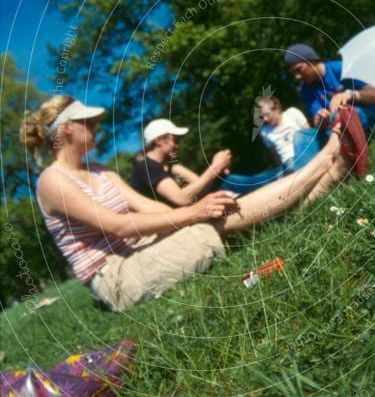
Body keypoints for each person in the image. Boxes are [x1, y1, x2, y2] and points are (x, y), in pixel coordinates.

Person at [20, 96, 355, 312]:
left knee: (223, 215)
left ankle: (331, 170)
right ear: (66, 130)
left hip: (141, 245)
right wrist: (195, 212)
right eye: (87, 122)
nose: (96, 125)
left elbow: (151, 210)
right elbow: (119, 225)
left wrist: (195, 213)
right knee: (212, 222)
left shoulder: (99, 169)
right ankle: (328, 157)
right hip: (116, 276)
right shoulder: (53, 182)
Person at [284, 43, 375, 133]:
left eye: (299, 69)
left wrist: (349, 95)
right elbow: (319, 124)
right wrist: (320, 120)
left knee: (345, 114)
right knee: (301, 136)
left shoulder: (339, 68)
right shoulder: (306, 91)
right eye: (294, 74)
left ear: (312, 61)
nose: (297, 77)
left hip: (368, 118)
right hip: (337, 128)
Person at [131, 118, 233, 205]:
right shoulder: (146, 166)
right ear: (159, 140)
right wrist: (215, 168)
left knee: (228, 181)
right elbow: (181, 198)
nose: (178, 146)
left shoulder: (163, 169)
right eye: (175, 140)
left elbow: (200, 189)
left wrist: (218, 173)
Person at [257, 95, 322, 171]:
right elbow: (275, 155)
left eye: (267, 114)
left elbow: (309, 134)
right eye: (262, 117)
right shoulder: (265, 132)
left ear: (277, 109)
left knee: (298, 136)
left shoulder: (292, 114)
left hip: (304, 154)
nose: (265, 119)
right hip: (288, 164)